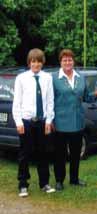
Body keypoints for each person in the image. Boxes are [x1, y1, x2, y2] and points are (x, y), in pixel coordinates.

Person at [52, 49, 97, 191]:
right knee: (60, 155)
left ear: (73, 61)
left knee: (75, 153)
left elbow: (87, 97)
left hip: (78, 122)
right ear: (61, 62)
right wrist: (50, 120)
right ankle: (59, 180)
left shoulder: (80, 77)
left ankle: (74, 179)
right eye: (65, 60)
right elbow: (49, 100)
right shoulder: (54, 78)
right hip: (60, 123)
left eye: (70, 60)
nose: (68, 62)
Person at [12, 48, 55, 197]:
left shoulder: (47, 78)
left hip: (42, 121)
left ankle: (44, 183)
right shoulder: (21, 78)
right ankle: (23, 184)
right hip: (26, 121)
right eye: (33, 61)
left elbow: (50, 101)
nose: (36, 64)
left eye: (38, 61)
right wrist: (19, 122)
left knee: (43, 153)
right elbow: (16, 102)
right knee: (25, 154)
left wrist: (49, 121)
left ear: (42, 62)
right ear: (29, 62)